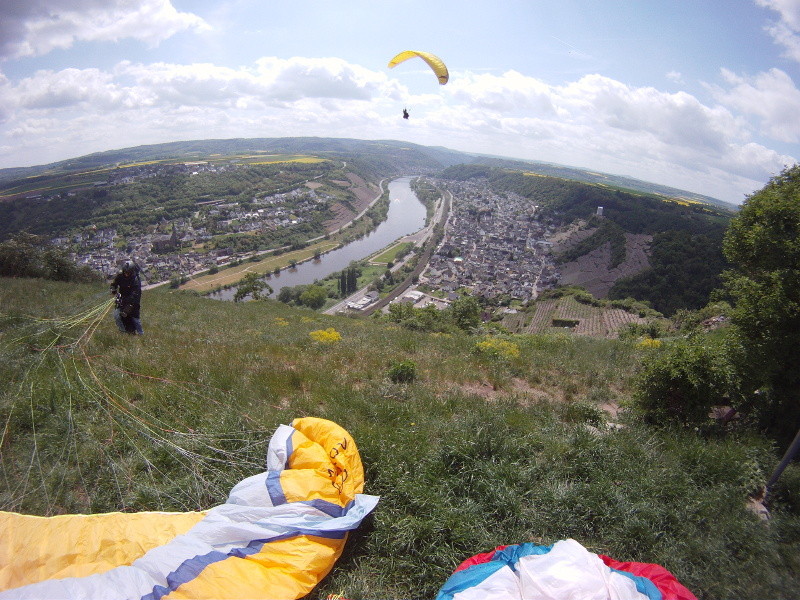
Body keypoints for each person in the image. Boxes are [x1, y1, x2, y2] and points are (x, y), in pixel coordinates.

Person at [110, 260, 144, 335]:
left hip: (133, 302)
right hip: (122, 301)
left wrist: (127, 301)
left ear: (132, 271)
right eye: (125, 272)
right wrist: (113, 289)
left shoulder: (136, 280)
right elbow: (114, 284)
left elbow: (135, 294)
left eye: (128, 273)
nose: (126, 274)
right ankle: (124, 332)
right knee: (117, 316)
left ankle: (141, 334)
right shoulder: (120, 276)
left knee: (135, 319)